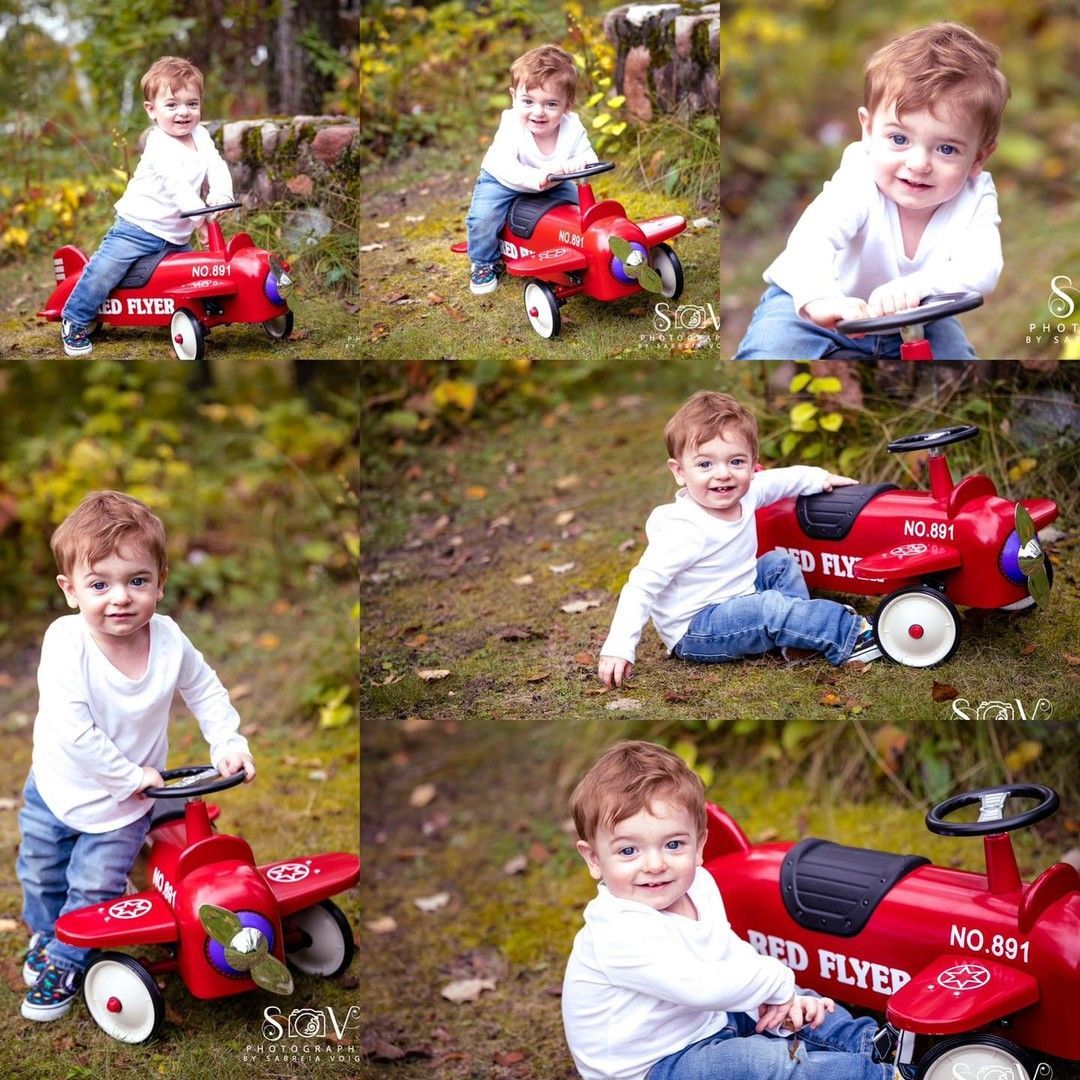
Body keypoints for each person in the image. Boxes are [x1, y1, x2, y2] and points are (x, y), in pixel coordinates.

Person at [16, 491, 255, 1021]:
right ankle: (43, 932)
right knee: (40, 869)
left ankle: (68, 957)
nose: (120, 598)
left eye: (137, 581)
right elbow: (74, 732)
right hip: (57, 785)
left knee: (95, 885)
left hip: (126, 802)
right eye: (100, 584)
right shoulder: (65, 644)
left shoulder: (168, 640)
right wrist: (131, 774)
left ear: (160, 582)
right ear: (71, 590)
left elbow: (205, 690)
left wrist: (228, 742)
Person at [562, 740, 900, 1080]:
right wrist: (775, 983)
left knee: (805, 1001)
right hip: (655, 1065)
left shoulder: (700, 886)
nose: (654, 864)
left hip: (708, 1019)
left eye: (674, 844)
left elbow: (726, 951)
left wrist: (783, 997)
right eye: (629, 850)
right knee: (768, 1063)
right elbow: (699, 985)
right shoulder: (618, 931)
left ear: (699, 846)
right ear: (594, 859)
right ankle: (884, 1077)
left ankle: (877, 1045)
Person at [735, 22, 1009, 360]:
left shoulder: (974, 196)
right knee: (773, 348)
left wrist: (920, 286)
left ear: (979, 157)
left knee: (959, 366)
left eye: (947, 149)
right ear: (867, 129)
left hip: (917, 316)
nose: (919, 163)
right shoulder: (859, 179)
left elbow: (982, 267)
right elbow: (812, 241)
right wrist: (821, 298)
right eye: (899, 139)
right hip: (820, 305)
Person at [597, 391, 879, 689]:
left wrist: (819, 479)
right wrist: (619, 645)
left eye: (735, 461)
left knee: (779, 563)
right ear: (679, 471)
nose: (723, 474)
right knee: (767, 607)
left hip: (739, 595)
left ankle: (795, 639)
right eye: (705, 465)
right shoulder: (683, 530)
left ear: (752, 463)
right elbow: (641, 586)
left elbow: (779, 481)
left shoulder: (746, 493)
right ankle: (850, 634)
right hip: (699, 628)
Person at [60, 55, 234, 356]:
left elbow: (216, 166)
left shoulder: (201, 135)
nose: (183, 112)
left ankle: (193, 317)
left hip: (175, 234)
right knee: (105, 272)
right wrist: (202, 219)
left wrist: (221, 195)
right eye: (172, 105)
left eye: (192, 104)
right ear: (151, 110)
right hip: (136, 228)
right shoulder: (158, 144)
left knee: (193, 276)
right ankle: (74, 319)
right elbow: (177, 185)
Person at [465, 43, 598, 295]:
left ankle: (582, 255)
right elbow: (507, 166)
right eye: (527, 101)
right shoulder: (511, 125)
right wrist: (535, 177)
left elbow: (588, 155)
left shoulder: (572, 127)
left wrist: (580, 162)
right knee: (483, 218)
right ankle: (484, 262)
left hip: (552, 185)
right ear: (514, 96)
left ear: (567, 105)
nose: (538, 112)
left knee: (581, 215)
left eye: (550, 104)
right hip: (503, 181)